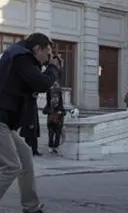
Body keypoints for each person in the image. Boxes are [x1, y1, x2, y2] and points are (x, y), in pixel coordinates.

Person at [0, 33, 61, 213]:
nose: (47, 58)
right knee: (11, 166)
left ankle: (31, 207)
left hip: (4, 121)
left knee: (25, 155)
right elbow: (41, 83)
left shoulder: (18, 56)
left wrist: (50, 67)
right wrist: (53, 68)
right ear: (37, 49)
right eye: (47, 54)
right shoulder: (21, 57)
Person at [43, 55, 66, 154]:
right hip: (52, 111)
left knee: (57, 130)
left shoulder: (58, 90)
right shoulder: (50, 88)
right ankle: (51, 145)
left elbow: (60, 100)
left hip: (58, 111)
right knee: (51, 130)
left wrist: (61, 110)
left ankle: (55, 146)